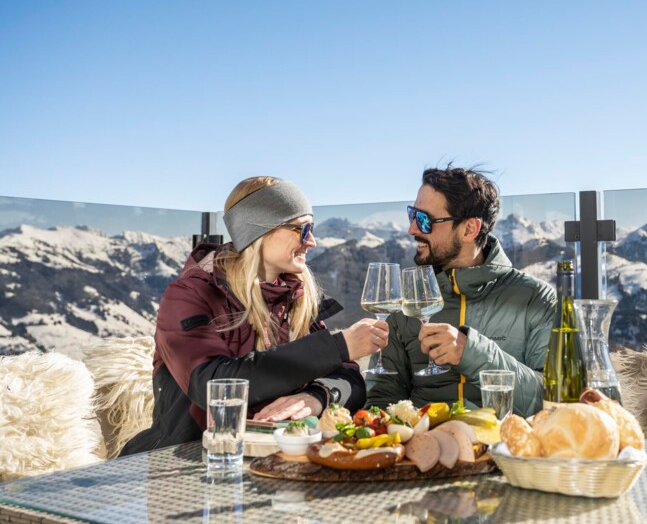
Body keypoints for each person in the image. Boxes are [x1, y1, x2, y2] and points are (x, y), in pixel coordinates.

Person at [122, 176, 388, 454]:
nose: (313, 242)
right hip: (189, 458)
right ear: (259, 230)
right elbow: (212, 385)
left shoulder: (295, 294)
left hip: (276, 456)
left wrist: (318, 396)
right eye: (302, 228)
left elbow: (350, 379)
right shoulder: (189, 295)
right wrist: (338, 347)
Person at [366, 166, 556, 417]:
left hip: (504, 449)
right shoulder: (407, 304)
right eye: (412, 215)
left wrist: (472, 353)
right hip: (425, 449)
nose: (412, 229)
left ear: (469, 229)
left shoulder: (536, 299)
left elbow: (555, 400)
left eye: (424, 220)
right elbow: (381, 400)